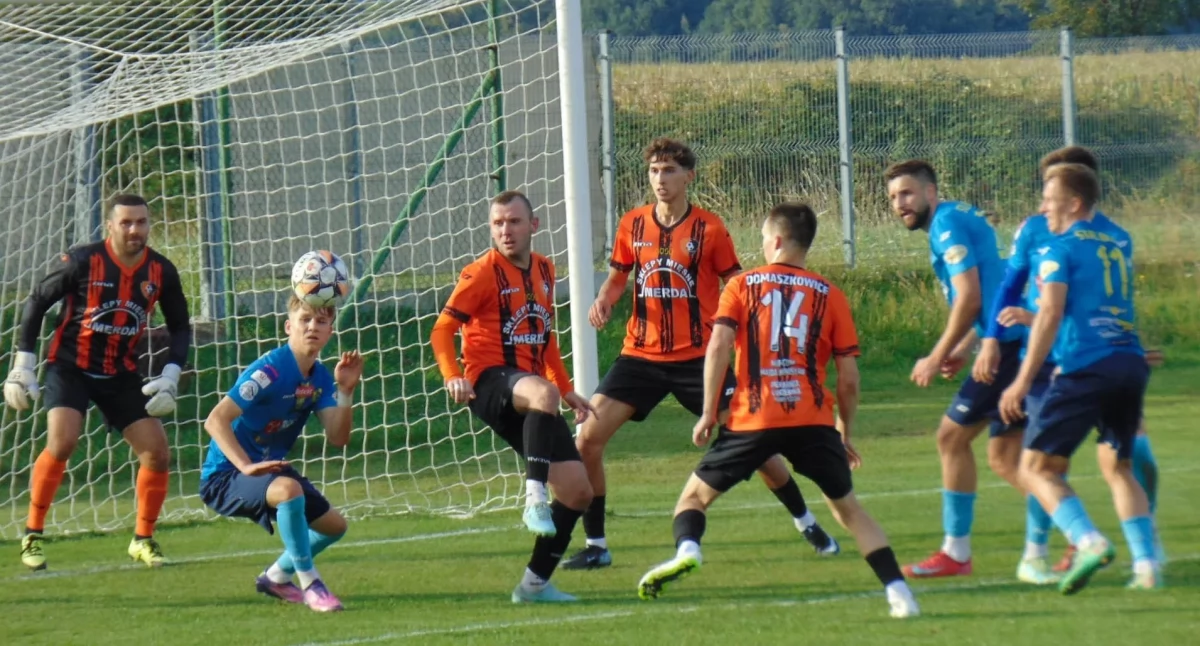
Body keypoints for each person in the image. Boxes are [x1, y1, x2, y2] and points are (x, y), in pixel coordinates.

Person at [635, 203, 919, 619]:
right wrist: (844, 430)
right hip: (812, 420)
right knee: (850, 511)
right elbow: (849, 378)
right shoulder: (831, 295)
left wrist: (709, 412)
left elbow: (718, 346)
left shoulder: (741, 285)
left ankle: (688, 550)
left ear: (778, 241)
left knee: (694, 497)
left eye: (765, 239)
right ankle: (899, 593)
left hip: (753, 418)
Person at [566, 137, 836, 571]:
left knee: (757, 445)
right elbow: (617, 278)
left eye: (669, 171)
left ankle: (805, 521)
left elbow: (737, 284)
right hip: (641, 357)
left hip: (698, 359)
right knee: (587, 440)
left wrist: (749, 335)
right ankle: (597, 544)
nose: (660, 179)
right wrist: (604, 299)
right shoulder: (632, 224)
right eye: (654, 171)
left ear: (688, 176)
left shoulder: (709, 229)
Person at [976, 146, 1163, 576]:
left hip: (1080, 364)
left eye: (1049, 198)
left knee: (1036, 466)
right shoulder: (1117, 241)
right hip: (1126, 359)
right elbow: (1100, 303)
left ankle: (1084, 542)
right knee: (1119, 465)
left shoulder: (1059, 249)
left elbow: (1052, 314)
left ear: (1075, 201)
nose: (1042, 207)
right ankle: (1147, 565)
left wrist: (1021, 379)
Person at [4, 193, 190, 570]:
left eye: (141, 222)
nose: (135, 230)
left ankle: (143, 539)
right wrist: (24, 362)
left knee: (157, 452)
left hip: (120, 372)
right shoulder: (83, 261)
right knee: (63, 441)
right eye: (126, 222)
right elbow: (37, 300)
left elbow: (180, 326)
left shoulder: (161, 271)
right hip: (69, 367)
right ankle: (32, 535)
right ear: (110, 226)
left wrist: (171, 373)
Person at [430, 190, 596, 602]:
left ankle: (534, 585)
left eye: (514, 222)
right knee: (542, 393)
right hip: (488, 382)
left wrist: (567, 389)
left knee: (579, 491)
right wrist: (452, 376)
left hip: (532, 391)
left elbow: (545, 338)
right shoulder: (481, 274)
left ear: (533, 225)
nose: (506, 230)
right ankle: (534, 498)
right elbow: (441, 330)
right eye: (498, 223)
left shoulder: (544, 269)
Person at [884, 161, 1028, 578]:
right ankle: (1077, 535)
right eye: (893, 197)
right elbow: (992, 287)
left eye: (907, 193)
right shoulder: (959, 215)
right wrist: (966, 346)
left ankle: (957, 554)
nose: (899, 204)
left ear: (931, 192)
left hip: (1008, 346)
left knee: (951, 438)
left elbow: (969, 297)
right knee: (1006, 459)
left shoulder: (946, 224)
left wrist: (937, 355)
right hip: (1009, 339)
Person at [199, 295, 362, 612]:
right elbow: (215, 420)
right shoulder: (269, 371)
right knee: (289, 490)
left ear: (330, 331)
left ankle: (275, 578)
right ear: (289, 326)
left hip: (268, 469)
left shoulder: (320, 378)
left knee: (334, 527)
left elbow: (338, 437)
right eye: (305, 319)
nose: (312, 327)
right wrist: (245, 466)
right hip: (226, 475)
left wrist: (345, 391)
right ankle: (311, 584)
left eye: (321, 321)